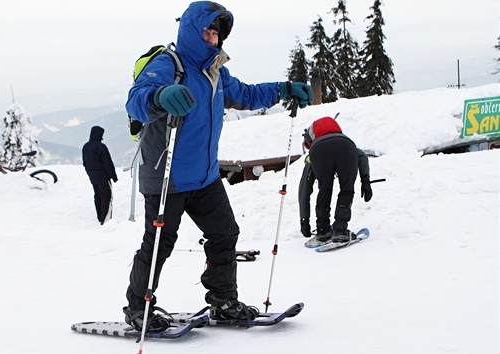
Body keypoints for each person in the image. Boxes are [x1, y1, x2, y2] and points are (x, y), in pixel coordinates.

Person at [123, 1, 313, 332]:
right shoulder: (168, 64)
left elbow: (247, 95)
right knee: (158, 246)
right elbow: (136, 100)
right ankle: (138, 309)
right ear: (191, 31)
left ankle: (223, 301)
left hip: (205, 176)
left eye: (217, 34)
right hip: (167, 177)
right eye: (207, 31)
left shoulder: (215, 73)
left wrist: (283, 90)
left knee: (225, 234)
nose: (212, 39)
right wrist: (160, 97)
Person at [299, 116, 372, 243]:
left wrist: (304, 220)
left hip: (320, 152)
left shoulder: (313, 151)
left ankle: (323, 230)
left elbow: (305, 189)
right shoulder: (339, 136)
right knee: (347, 190)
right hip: (346, 146)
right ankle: (340, 230)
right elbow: (361, 155)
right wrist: (365, 180)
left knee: (324, 190)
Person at [82, 126, 118, 225]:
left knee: (97, 196)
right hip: (103, 176)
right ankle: (105, 220)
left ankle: (100, 217)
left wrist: (90, 173)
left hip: (93, 176)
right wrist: (113, 176)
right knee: (107, 197)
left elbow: (85, 163)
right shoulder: (101, 147)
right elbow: (108, 163)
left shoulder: (86, 146)